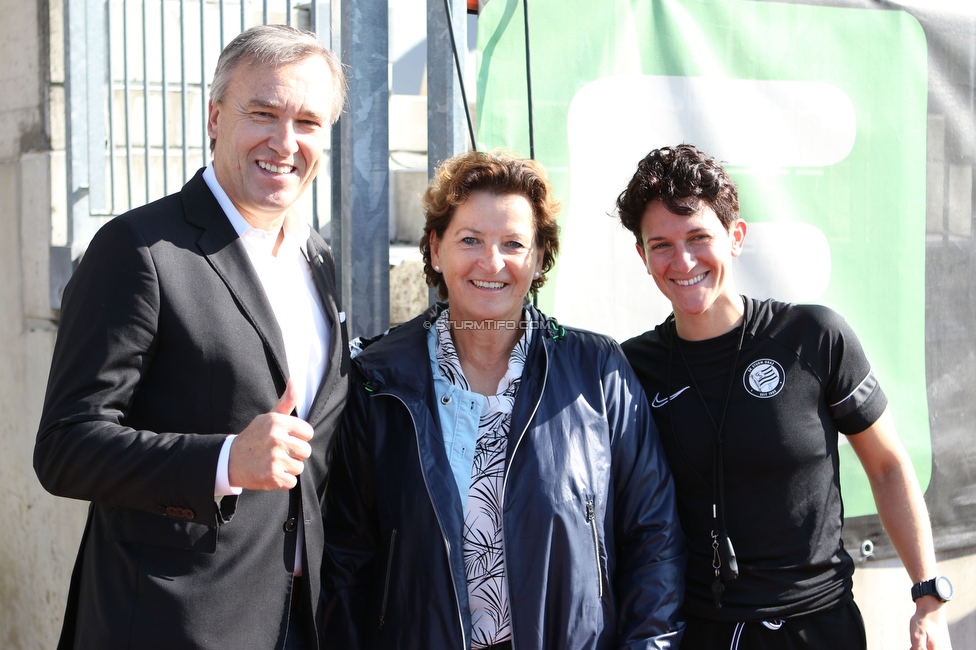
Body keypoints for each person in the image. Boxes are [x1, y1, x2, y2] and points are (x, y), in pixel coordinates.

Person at [34, 24, 349, 650]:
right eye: (263, 113)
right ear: (214, 117)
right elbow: (66, 447)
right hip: (168, 622)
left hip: (298, 619)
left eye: (309, 122)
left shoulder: (318, 259)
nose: (285, 142)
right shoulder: (138, 249)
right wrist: (226, 460)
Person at [320, 150, 687, 649]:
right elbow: (347, 558)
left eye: (513, 243)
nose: (491, 263)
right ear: (434, 249)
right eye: (470, 239)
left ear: (538, 259)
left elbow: (654, 537)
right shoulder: (378, 381)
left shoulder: (597, 371)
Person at [613, 144, 953, 650]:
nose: (682, 261)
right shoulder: (631, 368)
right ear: (642, 255)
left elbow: (887, 466)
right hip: (701, 631)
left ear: (736, 237)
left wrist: (928, 599)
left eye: (699, 237)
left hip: (818, 627)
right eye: (660, 244)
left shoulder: (813, 336)